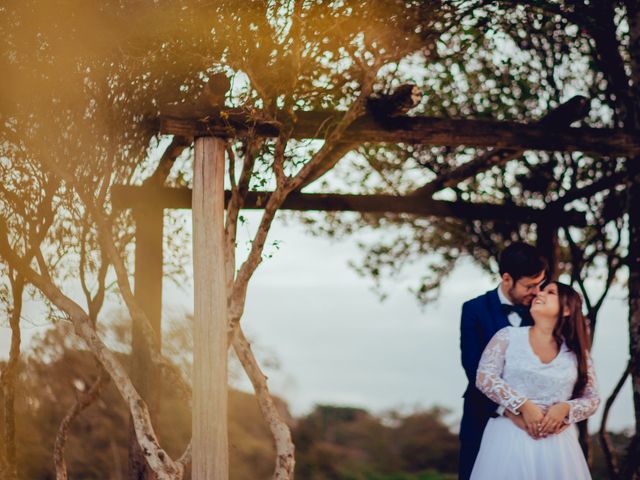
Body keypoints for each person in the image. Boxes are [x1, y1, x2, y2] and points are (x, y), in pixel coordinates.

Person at [470, 281, 600, 479]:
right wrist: (523, 405)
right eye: (542, 289)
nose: (540, 293)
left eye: (550, 292)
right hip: (509, 436)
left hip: (558, 444)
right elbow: (484, 377)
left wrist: (565, 409)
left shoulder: (576, 352)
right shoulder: (507, 336)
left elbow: (592, 398)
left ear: (566, 309)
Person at [458, 242, 547, 480]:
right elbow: (473, 367)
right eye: (530, 285)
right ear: (507, 278)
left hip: (535, 424)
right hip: (484, 416)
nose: (537, 292)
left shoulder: (543, 312)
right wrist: (510, 410)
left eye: (540, 284)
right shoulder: (474, 309)